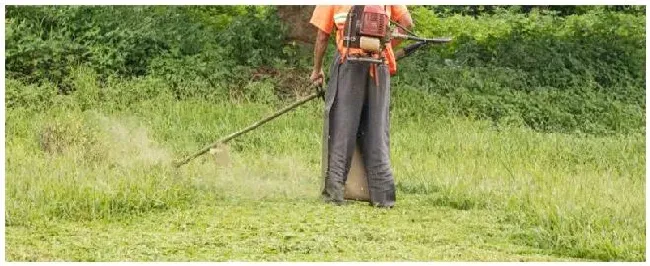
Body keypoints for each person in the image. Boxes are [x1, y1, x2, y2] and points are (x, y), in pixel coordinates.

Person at [309, 5, 414, 208]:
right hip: (379, 65)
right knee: (377, 131)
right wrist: (384, 47)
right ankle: (383, 197)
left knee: (342, 131)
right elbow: (407, 24)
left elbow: (322, 37)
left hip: (350, 64)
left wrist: (317, 70)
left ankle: (335, 193)